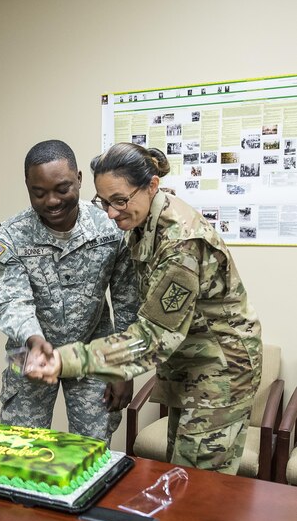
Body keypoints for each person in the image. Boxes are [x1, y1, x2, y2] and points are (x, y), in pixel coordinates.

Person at [26, 143, 262, 474]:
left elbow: (152, 337)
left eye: (120, 200)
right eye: (103, 202)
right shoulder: (142, 221)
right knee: (182, 473)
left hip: (219, 370)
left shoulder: (180, 241)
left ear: (152, 185)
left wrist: (64, 360)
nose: (110, 213)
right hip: (189, 365)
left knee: (200, 485)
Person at [0, 140, 139, 445]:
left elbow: (126, 302)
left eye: (62, 189)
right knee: (20, 447)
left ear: (79, 179)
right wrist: (34, 338)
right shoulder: (9, 236)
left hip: (94, 352)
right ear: (27, 187)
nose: (51, 201)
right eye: (38, 193)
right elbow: (11, 300)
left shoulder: (110, 228)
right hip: (28, 353)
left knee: (91, 450)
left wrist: (124, 369)